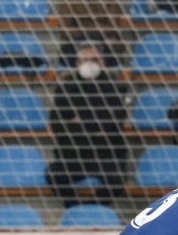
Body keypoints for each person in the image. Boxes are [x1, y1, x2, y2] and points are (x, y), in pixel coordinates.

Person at [47, 43, 127, 207]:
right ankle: (75, 208)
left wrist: (79, 122)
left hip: (104, 154)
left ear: (102, 63)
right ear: (77, 64)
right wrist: (95, 124)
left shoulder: (114, 87)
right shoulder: (66, 87)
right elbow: (57, 124)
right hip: (73, 153)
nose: (89, 64)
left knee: (117, 180)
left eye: (94, 60)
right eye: (85, 60)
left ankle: (96, 207)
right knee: (53, 174)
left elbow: (115, 123)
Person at [57, 0, 122, 70]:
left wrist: (84, 29)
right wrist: (92, 31)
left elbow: (113, 26)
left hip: (104, 40)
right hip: (76, 40)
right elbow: (66, 27)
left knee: (109, 50)